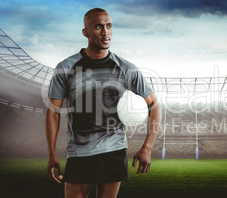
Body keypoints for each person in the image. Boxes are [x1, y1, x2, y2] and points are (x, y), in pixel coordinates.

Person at [45, 8, 160, 198]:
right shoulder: (65, 68)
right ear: (86, 32)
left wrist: (147, 147)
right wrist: (51, 154)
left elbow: (154, 105)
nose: (105, 32)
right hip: (79, 151)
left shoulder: (126, 68)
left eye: (109, 26)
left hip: (113, 150)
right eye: (98, 27)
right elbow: (53, 112)